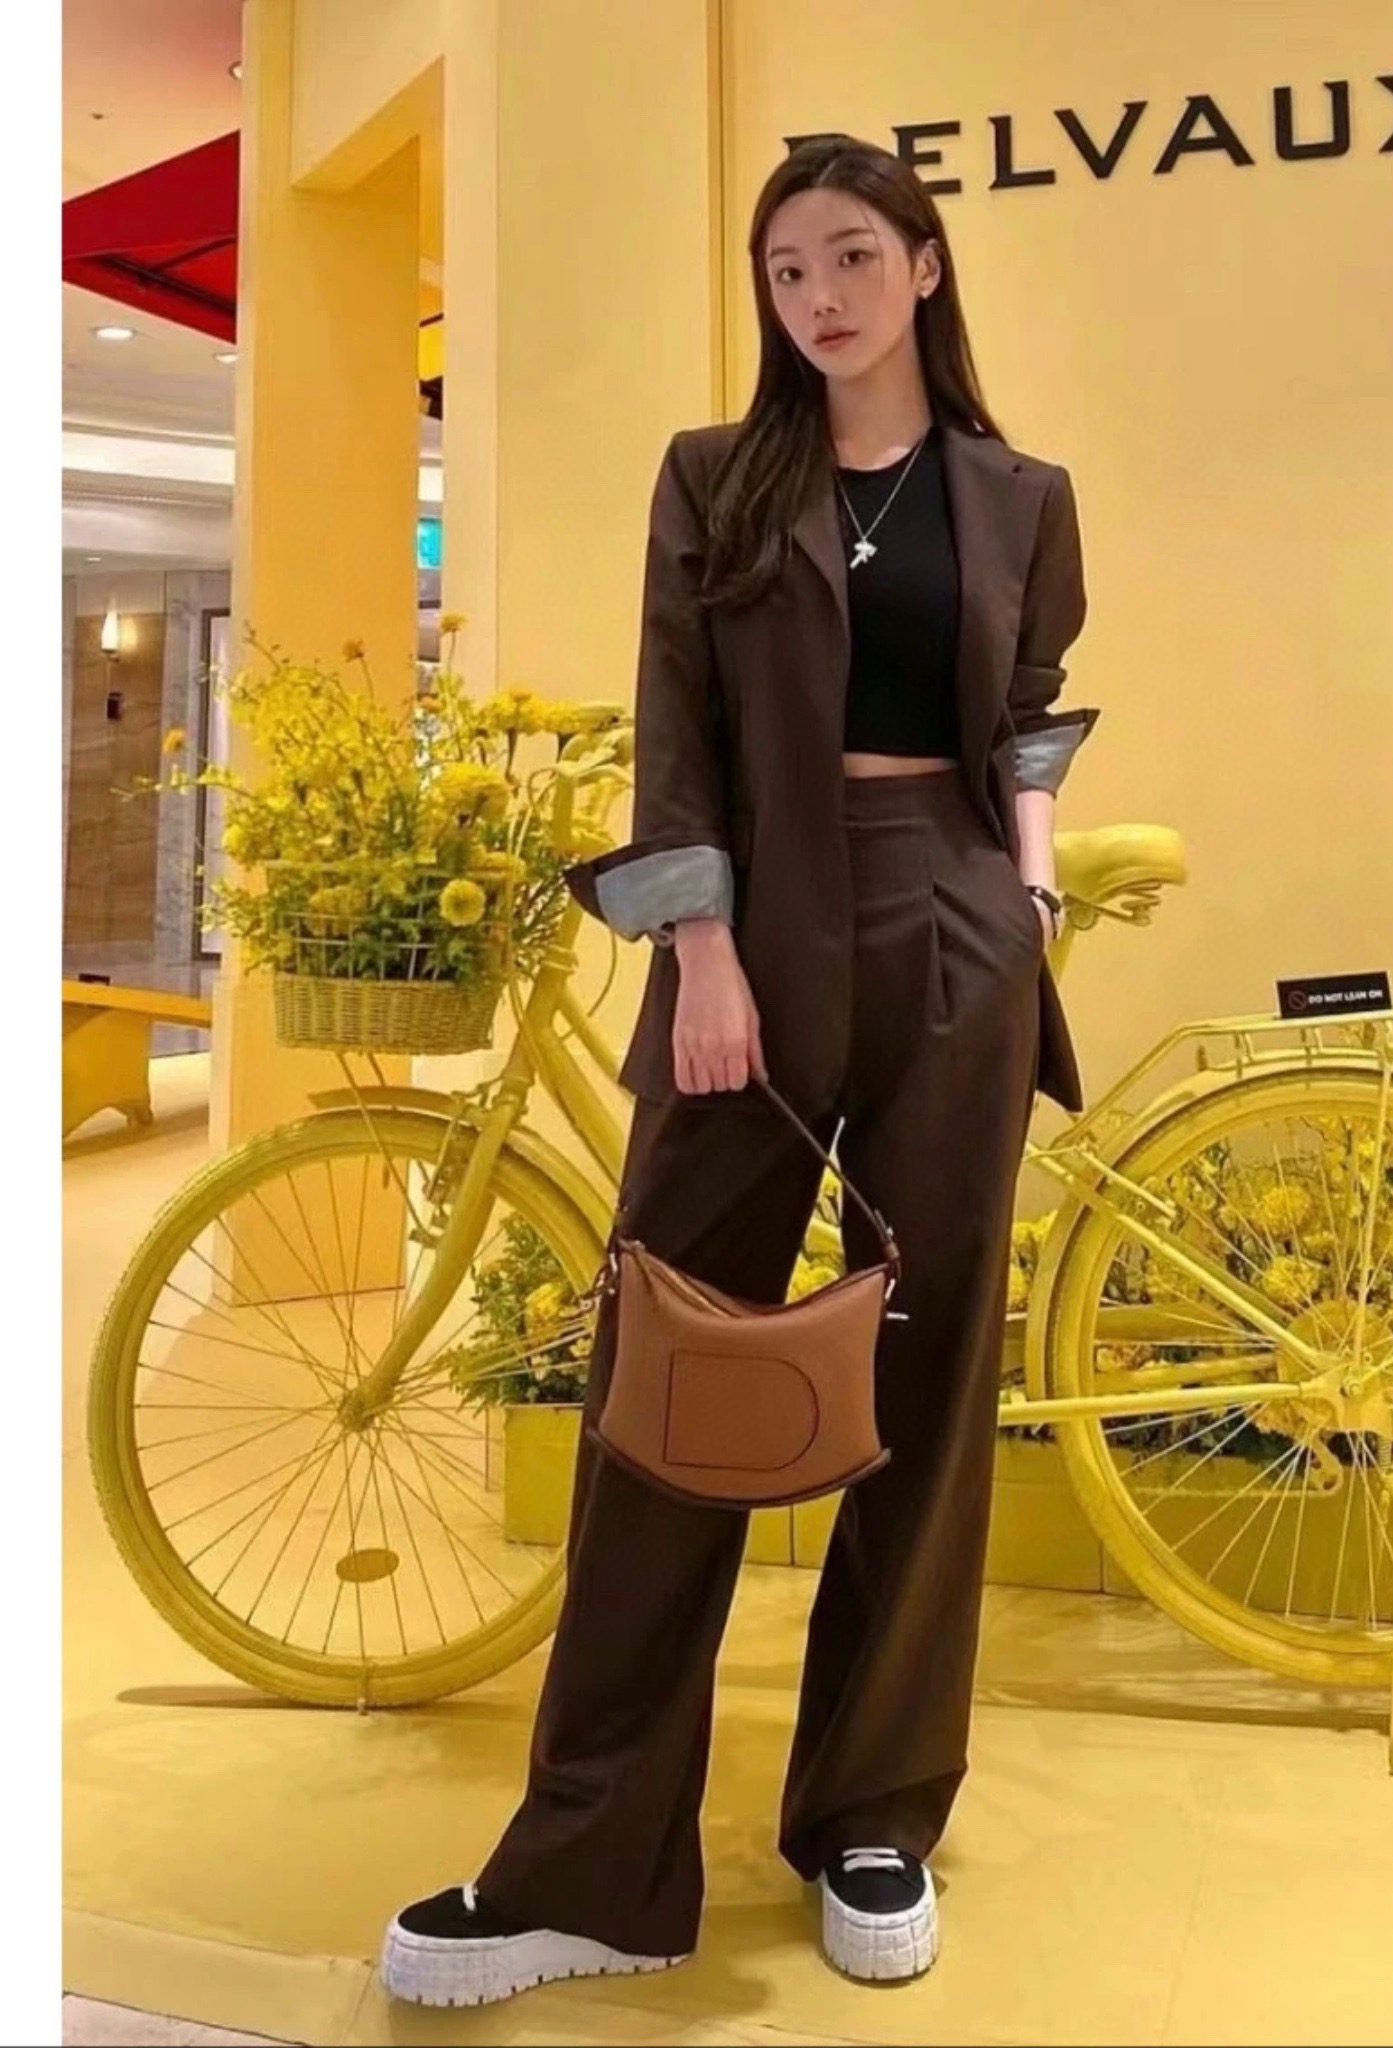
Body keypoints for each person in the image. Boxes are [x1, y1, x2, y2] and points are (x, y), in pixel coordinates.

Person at [380, 131, 1097, 2009]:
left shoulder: (1018, 496)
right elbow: (674, 720)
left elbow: (1026, 716)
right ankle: (590, 1864)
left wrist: (1025, 896)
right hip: (752, 923)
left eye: (852, 255)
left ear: (923, 267)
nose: (819, 296)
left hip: (951, 922)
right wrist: (701, 945)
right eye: (787, 270)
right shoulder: (718, 476)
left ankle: (873, 1814)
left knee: (928, 1373)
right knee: (667, 1373)